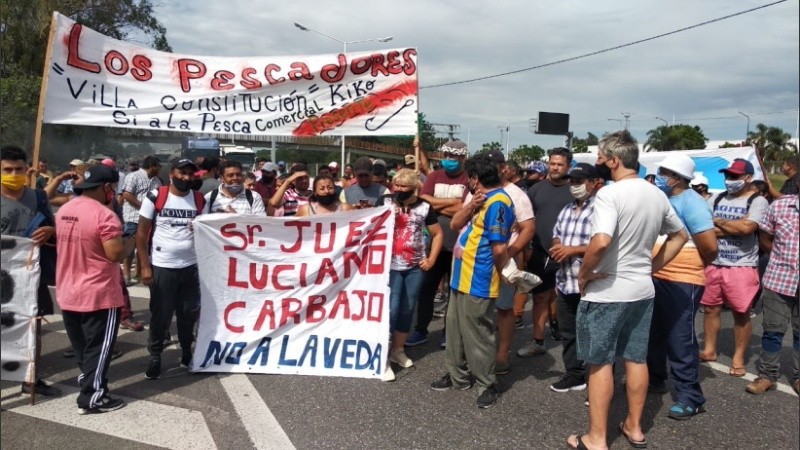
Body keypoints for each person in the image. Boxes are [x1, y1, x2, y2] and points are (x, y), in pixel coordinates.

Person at [567, 130, 687, 450]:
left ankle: (596, 437)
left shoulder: (610, 194)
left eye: (601, 158)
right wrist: (652, 267)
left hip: (608, 290)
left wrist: (585, 272)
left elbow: (602, 240)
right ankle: (635, 427)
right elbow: (680, 236)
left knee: (600, 362)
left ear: (615, 161)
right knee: (636, 358)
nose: (597, 163)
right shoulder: (656, 194)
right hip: (642, 290)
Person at [430, 154, 515, 409]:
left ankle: (487, 383)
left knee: (479, 334)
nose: (468, 182)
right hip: (459, 277)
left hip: (479, 279)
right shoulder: (478, 198)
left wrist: (506, 274)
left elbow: (500, 248)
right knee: (455, 330)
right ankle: (457, 376)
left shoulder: (499, 202)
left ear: (476, 179)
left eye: (470, 178)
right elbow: (455, 224)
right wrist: (470, 206)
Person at [647, 154, 718, 420]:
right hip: (656, 273)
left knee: (680, 338)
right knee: (653, 333)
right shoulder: (662, 199)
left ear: (678, 177)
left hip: (682, 279)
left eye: (665, 172)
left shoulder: (693, 203)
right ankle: (655, 379)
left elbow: (710, 247)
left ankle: (691, 397)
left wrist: (693, 264)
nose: (660, 176)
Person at [55, 164, 127, 414]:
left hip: (68, 291)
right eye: (113, 188)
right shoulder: (105, 215)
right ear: (106, 188)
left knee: (83, 349)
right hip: (99, 293)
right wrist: (127, 242)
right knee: (99, 348)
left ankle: (90, 385)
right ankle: (93, 397)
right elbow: (115, 254)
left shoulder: (65, 209)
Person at [136, 158, 205, 380]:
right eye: (182, 172)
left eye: (190, 174)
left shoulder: (199, 199)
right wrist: (145, 267)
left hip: (191, 268)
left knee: (188, 314)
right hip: (162, 267)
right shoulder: (157, 196)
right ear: (171, 173)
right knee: (161, 315)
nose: (186, 177)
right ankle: (155, 356)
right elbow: (141, 234)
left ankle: (187, 352)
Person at [1, 145, 61, 397]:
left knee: (31, 326)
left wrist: (50, 231)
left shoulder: (38, 197)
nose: (13, 173)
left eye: (18, 169)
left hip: (28, 276)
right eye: (7, 170)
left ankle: (30, 378)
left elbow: (54, 228)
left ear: (27, 170)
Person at [699, 159, 769, 377]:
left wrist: (718, 222)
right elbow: (703, 227)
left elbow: (748, 229)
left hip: (742, 265)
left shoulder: (758, 201)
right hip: (714, 263)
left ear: (748, 178)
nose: (730, 180)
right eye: (728, 176)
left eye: (735, 176)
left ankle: (738, 357)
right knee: (711, 308)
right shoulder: (717, 198)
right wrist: (733, 226)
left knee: (741, 312)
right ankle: (710, 349)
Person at [376, 169, 443, 381]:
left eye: (405, 186)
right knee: (391, 310)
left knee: (407, 308)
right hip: (390, 266)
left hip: (415, 266)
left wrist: (431, 259)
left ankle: (398, 349)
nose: (400, 190)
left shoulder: (424, 206)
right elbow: (371, 228)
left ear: (415, 187)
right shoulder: (384, 201)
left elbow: (437, 233)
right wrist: (387, 219)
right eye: (397, 185)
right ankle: (382, 358)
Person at [405, 140, 470, 348]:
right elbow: (423, 198)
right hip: (434, 245)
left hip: (458, 245)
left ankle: (448, 332)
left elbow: (465, 207)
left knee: (454, 292)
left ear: (463, 157)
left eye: (455, 156)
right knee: (426, 289)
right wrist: (452, 204)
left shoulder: (469, 178)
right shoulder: (434, 176)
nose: (451, 160)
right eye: (447, 156)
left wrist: (437, 206)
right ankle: (421, 330)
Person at [548, 163, 605, 394]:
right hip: (565, 280)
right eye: (572, 181)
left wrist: (572, 250)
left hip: (590, 282)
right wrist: (558, 248)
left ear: (594, 183)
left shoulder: (601, 209)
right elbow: (556, 235)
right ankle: (574, 374)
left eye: (579, 182)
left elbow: (602, 244)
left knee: (594, 334)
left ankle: (598, 383)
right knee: (568, 330)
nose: (574, 186)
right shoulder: (567, 209)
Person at [477, 151, 534, 376]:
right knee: (478, 310)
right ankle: (477, 355)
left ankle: (502, 354)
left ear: (504, 168)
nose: (491, 168)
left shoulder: (516, 195)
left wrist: (508, 253)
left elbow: (528, 228)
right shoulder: (477, 189)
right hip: (477, 262)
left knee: (503, 308)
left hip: (502, 261)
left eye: (495, 164)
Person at [519, 147, 574, 357]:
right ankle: (538, 341)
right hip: (540, 255)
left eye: (560, 164)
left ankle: (574, 345)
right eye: (552, 163)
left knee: (569, 300)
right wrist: (527, 249)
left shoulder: (575, 190)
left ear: (568, 166)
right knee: (540, 298)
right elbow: (525, 220)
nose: (556, 167)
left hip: (569, 255)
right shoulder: (536, 189)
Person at [745, 185, 799, 395]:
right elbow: (765, 237)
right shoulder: (779, 206)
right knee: (772, 331)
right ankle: (767, 376)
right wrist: (779, 258)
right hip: (780, 280)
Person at [120, 155, 163, 286]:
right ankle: (126, 274)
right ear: (151, 166)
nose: (160, 169)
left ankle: (139, 272)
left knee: (145, 246)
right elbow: (126, 194)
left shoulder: (157, 181)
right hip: (134, 217)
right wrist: (144, 206)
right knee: (130, 247)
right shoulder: (133, 176)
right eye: (158, 166)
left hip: (151, 220)